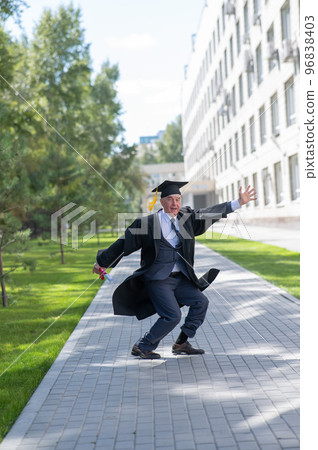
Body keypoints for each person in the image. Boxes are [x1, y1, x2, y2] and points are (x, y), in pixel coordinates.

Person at [93, 181, 257, 359]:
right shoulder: (147, 224)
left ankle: (181, 343)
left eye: (178, 199)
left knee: (201, 303)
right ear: (161, 202)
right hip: (158, 279)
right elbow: (123, 245)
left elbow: (208, 213)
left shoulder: (186, 219)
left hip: (180, 278)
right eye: (170, 199)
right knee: (172, 315)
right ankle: (143, 345)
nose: (174, 204)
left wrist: (237, 203)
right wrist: (102, 262)